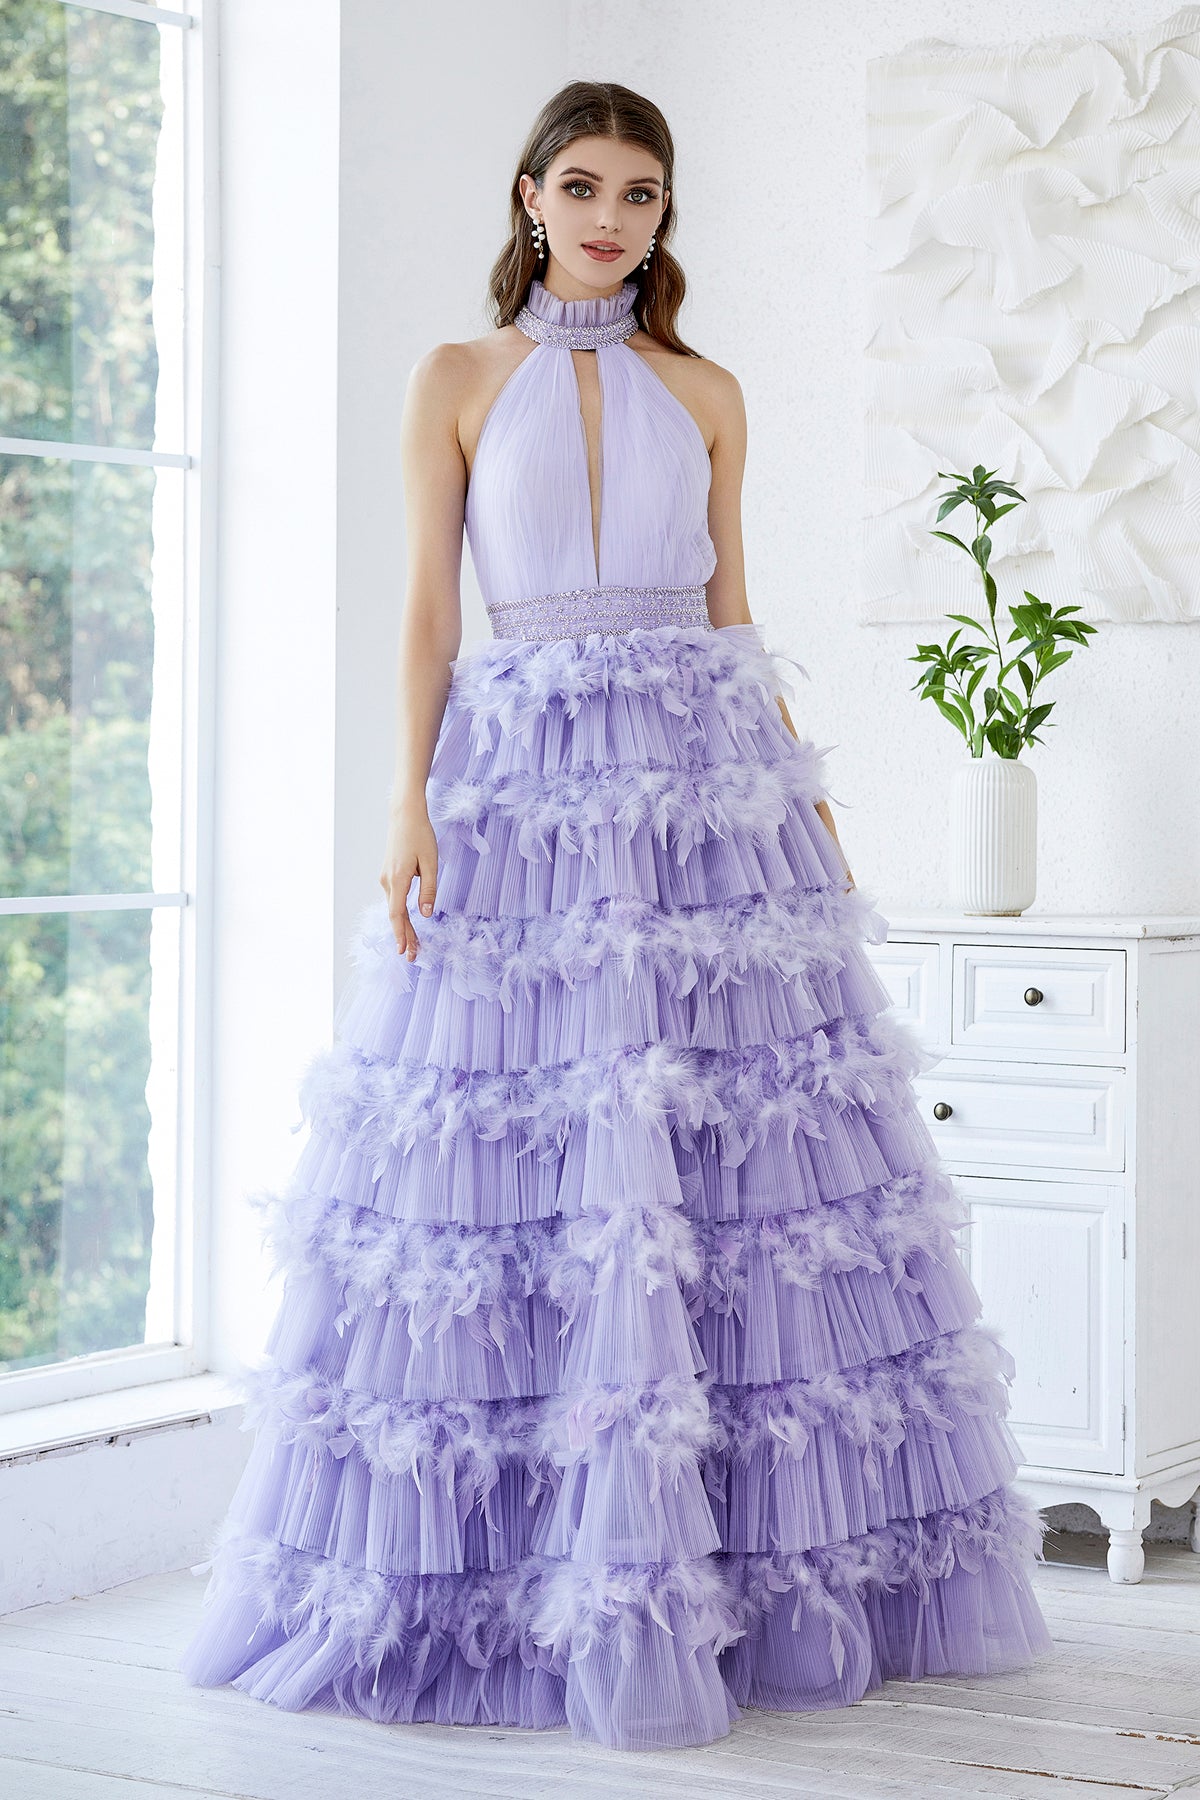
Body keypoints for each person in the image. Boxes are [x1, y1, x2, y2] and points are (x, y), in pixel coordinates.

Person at [180, 78, 1053, 1751]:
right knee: (514, 1155)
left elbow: (734, 612)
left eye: (638, 192)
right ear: (529, 197)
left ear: (664, 214)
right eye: (580, 185)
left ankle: (744, 1585)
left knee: (737, 1171)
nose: (608, 216)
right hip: (521, 792)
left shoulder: (707, 391)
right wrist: (405, 799)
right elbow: (429, 611)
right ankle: (518, 1582)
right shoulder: (456, 378)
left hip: (704, 791)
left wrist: (804, 801)